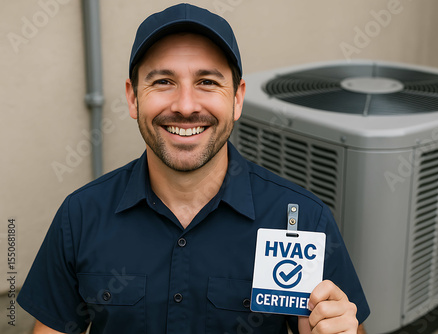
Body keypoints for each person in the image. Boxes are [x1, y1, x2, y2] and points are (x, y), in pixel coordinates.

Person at [18, 3, 369, 333]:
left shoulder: (305, 219)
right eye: (163, 82)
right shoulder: (79, 217)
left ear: (237, 99)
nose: (185, 106)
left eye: (207, 82)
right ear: (132, 97)